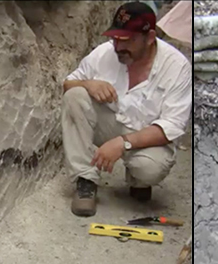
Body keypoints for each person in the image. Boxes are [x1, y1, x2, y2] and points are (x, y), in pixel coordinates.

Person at [61, 2, 193, 216]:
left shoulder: (177, 67)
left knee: (149, 169)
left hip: (147, 137)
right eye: (115, 38)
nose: (118, 46)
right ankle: (85, 180)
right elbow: (68, 84)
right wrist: (88, 84)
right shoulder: (105, 53)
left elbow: (172, 125)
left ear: (149, 38)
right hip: (111, 123)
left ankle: (138, 180)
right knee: (75, 95)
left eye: (127, 40)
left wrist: (122, 143)